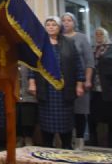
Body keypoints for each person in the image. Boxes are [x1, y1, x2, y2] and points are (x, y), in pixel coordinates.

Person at [29, 16, 85, 150]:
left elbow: (78, 65)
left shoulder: (69, 42)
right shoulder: (39, 43)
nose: (51, 27)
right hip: (46, 90)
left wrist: (79, 84)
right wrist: (32, 83)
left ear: (59, 27)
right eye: (48, 25)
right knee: (46, 130)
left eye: (54, 25)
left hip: (64, 90)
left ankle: (67, 150)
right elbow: (33, 66)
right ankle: (47, 151)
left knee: (66, 128)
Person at [61, 12, 94, 150]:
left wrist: (87, 79)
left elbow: (89, 61)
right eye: (64, 20)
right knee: (66, 112)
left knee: (80, 111)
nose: (66, 23)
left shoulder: (81, 38)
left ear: (74, 23)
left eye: (69, 20)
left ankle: (80, 140)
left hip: (80, 80)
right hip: (64, 82)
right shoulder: (59, 38)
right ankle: (66, 141)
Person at [88, 27, 112, 147]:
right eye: (96, 34)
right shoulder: (92, 49)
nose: (99, 36)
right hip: (94, 89)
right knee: (92, 117)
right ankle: (93, 139)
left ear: (105, 35)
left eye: (101, 34)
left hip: (108, 88)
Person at [16, 63, 38, 147]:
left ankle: (28, 138)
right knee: (16, 117)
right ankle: (19, 138)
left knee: (28, 116)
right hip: (14, 94)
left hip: (29, 94)